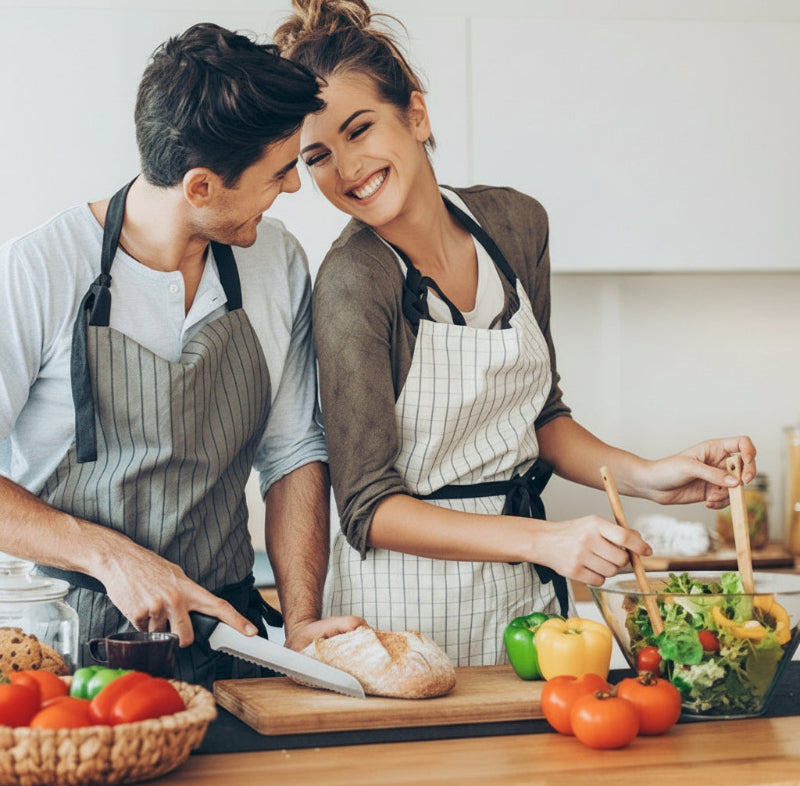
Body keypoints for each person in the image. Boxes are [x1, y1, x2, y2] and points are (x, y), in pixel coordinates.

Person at [273, 0, 758, 667]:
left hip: (524, 604)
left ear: (416, 115)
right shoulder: (354, 281)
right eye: (319, 157)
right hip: (402, 618)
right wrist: (545, 541)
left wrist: (647, 477)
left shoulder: (515, 225)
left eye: (360, 129)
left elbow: (541, 417)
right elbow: (366, 508)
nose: (348, 168)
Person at [0, 22, 362, 687]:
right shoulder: (37, 270)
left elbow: (292, 454)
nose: (293, 187)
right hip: (65, 653)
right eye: (279, 172)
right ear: (200, 187)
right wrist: (111, 557)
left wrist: (302, 621)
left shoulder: (276, 261)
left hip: (226, 639)